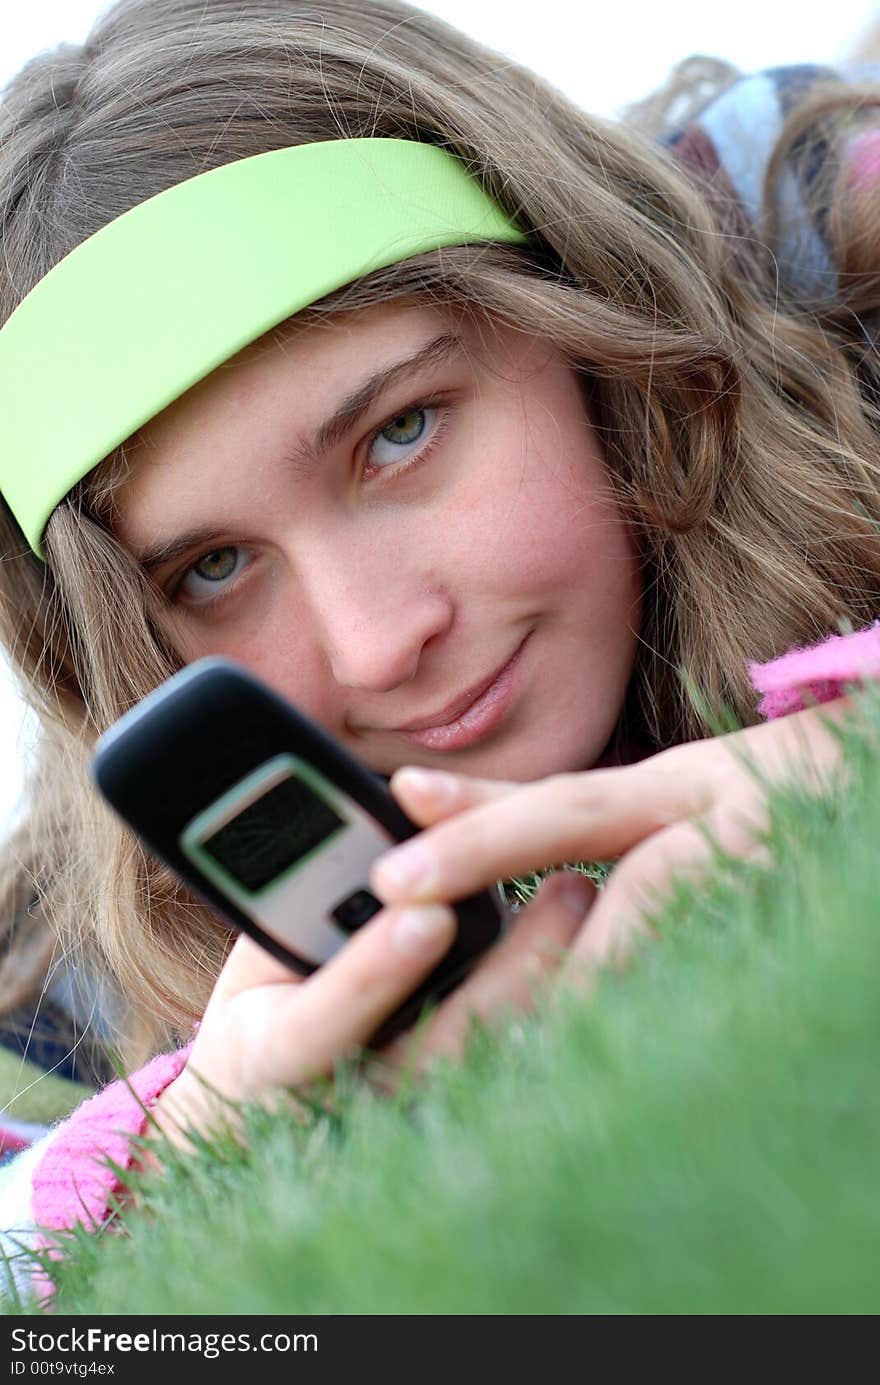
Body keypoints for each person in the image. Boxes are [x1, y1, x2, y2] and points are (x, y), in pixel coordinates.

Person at [1, 0, 880, 1304]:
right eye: (213, 570)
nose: (378, 643)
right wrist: (189, 1130)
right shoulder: (68, 972)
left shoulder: (803, 220)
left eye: (400, 432)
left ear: (578, 305)